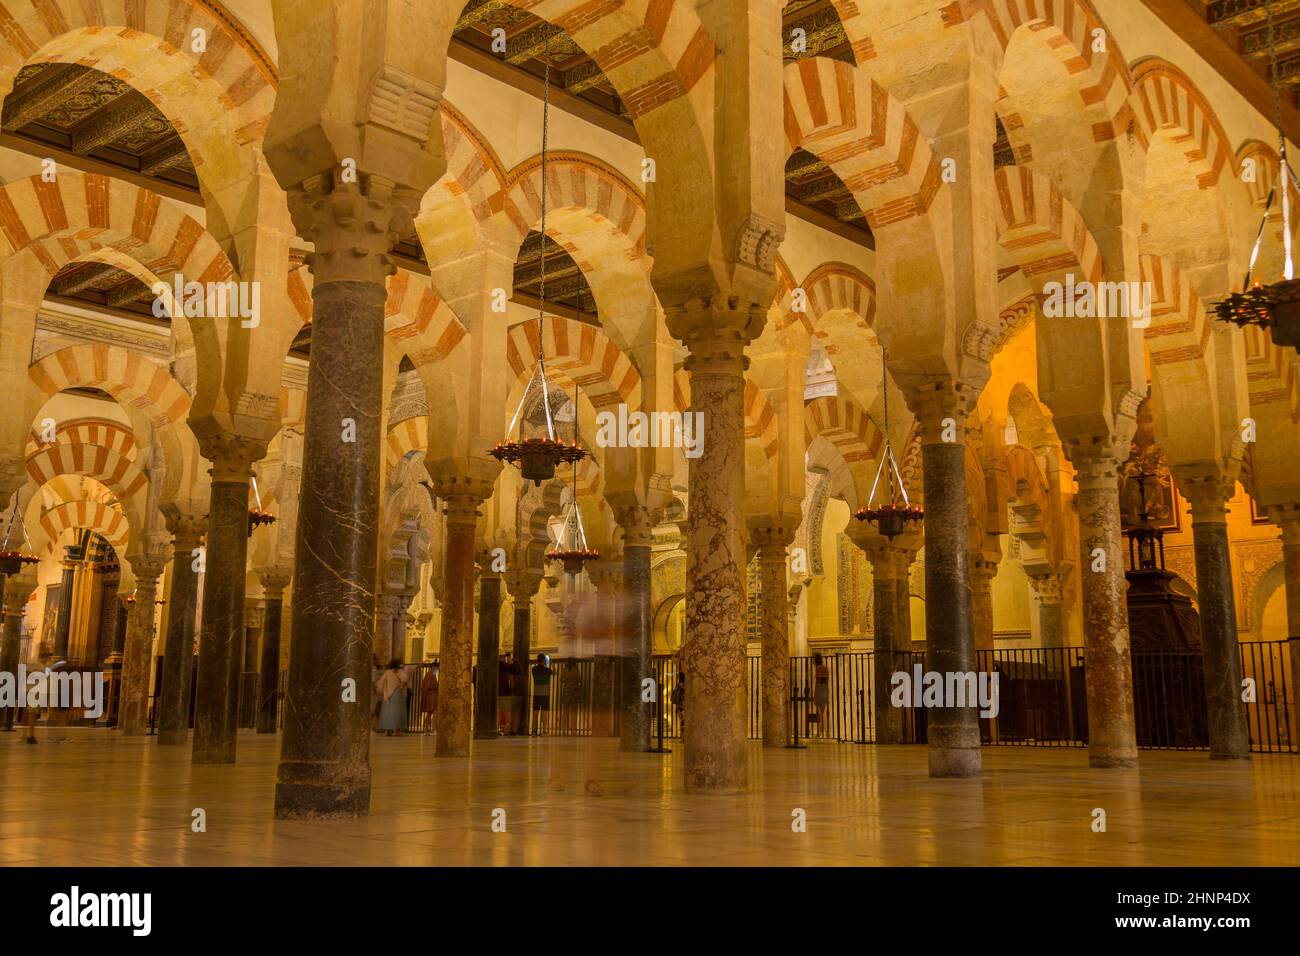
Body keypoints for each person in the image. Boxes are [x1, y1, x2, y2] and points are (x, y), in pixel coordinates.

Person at [374, 660, 408, 737]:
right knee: (396, 712)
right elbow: (404, 681)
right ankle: (395, 731)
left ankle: (386, 731)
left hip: (387, 694)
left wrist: (380, 691)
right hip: (397, 693)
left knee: (387, 712)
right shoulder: (400, 672)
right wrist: (402, 687)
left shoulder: (387, 672)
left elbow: (380, 682)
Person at [530, 653, 552, 735]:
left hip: (536, 693)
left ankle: (534, 730)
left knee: (535, 712)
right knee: (544, 712)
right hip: (545, 693)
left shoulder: (533, 669)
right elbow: (555, 672)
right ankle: (544, 730)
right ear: (544, 660)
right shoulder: (547, 670)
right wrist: (549, 665)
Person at [497, 654, 518, 735]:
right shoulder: (507, 673)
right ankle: (507, 729)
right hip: (506, 693)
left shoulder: (498, 672)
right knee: (506, 712)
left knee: (499, 712)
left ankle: (499, 729)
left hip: (499, 693)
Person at [811, 652, 830, 735]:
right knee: (823, 712)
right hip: (824, 689)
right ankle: (826, 732)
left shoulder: (818, 669)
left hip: (819, 689)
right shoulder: (825, 668)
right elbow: (826, 681)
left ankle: (820, 732)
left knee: (820, 712)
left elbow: (818, 681)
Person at [419, 663, 439, 735]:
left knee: (429, 713)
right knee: (435, 712)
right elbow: (428, 686)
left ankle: (426, 730)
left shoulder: (431, 674)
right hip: (431, 696)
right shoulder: (430, 674)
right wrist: (437, 686)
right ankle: (434, 730)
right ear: (433, 667)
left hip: (431, 695)